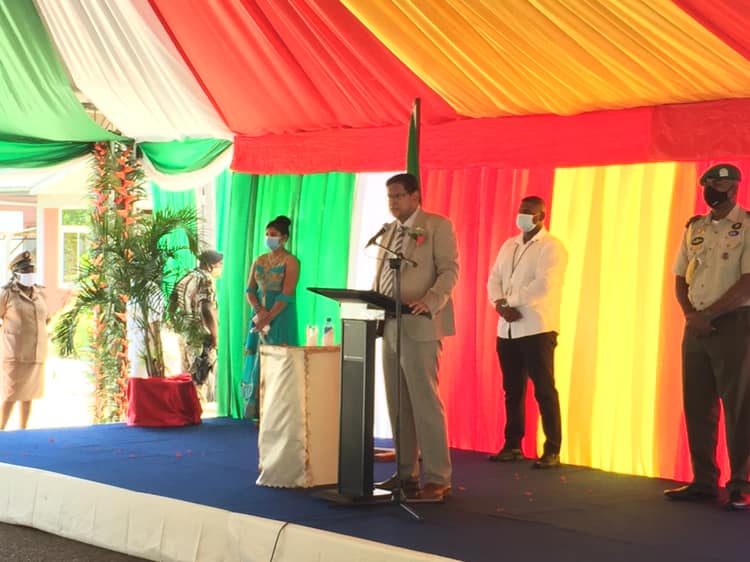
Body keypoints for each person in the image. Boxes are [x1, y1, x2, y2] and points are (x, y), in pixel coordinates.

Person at [665, 163, 750, 511]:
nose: (710, 190)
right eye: (707, 184)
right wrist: (690, 315)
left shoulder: (747, 226)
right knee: (697, 403)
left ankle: (740, 484)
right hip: (696, 325)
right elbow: (679, 277)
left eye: (716, 184)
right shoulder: (695, 227)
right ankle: (703, 480)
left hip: (733, 323)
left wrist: (709, 315)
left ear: (733, 188)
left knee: (739, 405)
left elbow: (747, 280)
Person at [373, 172, 458, 502]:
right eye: (389, 197)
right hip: (390, 324)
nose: (392, 202)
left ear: (415, 196)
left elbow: (449, 269)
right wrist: (373, 306)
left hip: (420, 324)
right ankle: (405, 473)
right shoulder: (388, 231)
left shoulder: (436, 226)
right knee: (398, 404)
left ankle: (437, 478)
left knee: (424, 403)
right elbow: (380, 277)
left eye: (398, 196)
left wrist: (431, 300)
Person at [486, 196, 568, 469]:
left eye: (529, 212)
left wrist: (510, 302)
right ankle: (512, 445)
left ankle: (552, 449)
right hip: (507, 328)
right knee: (512, 390)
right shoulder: (509, 245)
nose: (522, 215)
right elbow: (494, 278)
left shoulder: (551, 247)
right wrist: (499, 304)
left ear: (541, 216)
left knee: (544, 389)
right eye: (521, 210)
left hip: (536, 327)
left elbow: (544, 285)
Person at [241, 215, 299, 422]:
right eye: (267, 234)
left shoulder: (291, 261)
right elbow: (249, 290)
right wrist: (259, 311)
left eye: (273, 234)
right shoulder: (259, 260)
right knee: (258, 358)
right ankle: (258, 410)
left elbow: (286, 295)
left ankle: (277, 413)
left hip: (281, 316)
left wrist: (269, 316)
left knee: (278, 359)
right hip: (259, 315)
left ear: (284, 238)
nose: (269, 238)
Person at [0, 252, 50, 430]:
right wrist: (7, 334)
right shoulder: (6, 294)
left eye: (32, 270)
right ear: (16, 273)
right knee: (10, 396)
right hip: (14, 354)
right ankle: (1, 431)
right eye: (26, 271)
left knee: (29, 397)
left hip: (36, 352)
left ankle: (23, 431)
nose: (30, 274)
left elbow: (46, 318)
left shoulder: (40, 293)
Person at [169, 250, 222, 403]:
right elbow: (207, 309)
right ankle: (196, 409)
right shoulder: (206, 280)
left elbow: (172, 304)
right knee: (199, 379)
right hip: (201, 336)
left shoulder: (186, 277)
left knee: (187, 377)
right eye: (219, 264)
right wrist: (215, 335)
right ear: (209, 265)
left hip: (185, 334)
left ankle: (186, 409)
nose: (221, 268)